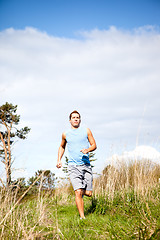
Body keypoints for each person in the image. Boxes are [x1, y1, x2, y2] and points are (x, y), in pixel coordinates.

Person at [56, 110, 97, 219]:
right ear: (70, 120)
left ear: (80, 120)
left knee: (88, 193)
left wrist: (87, 150)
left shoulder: (86, 131)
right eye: (73, 117)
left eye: (77, 117)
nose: (75, 119)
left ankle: (83, 190)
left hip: (86, 166)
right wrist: (59, 159)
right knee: (78, 192)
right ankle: (82, 217)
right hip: (73, 167)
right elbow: (62, 146)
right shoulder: (66, 134)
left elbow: (94, 145)